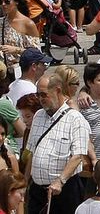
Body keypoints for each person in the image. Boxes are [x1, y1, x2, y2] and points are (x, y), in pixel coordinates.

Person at [24, 66, 90, 214]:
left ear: (58, 91)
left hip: (64, 191)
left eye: (44, 95)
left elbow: (78, 155)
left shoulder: (75, 119)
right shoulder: (38, 116)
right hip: (37, 191)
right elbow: (33, 153)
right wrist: (25, 182)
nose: (40, 99)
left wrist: (60, 181)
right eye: (38, 95)